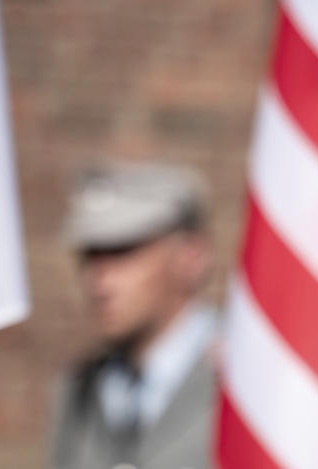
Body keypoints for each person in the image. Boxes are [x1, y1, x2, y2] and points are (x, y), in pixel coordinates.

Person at [53, 162, 217, 469]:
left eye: (122, 253)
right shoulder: (78, 389)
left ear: (191, 257)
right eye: (91, 257)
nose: (100, 283)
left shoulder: (245, 380)